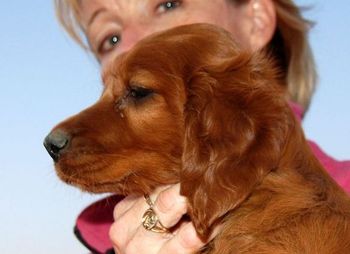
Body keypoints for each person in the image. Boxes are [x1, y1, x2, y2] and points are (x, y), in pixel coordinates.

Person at [54, 0, 350, 253]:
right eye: (111, 39)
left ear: (256, 19)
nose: (133, 45)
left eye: (167, 4)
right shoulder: (111, 233)